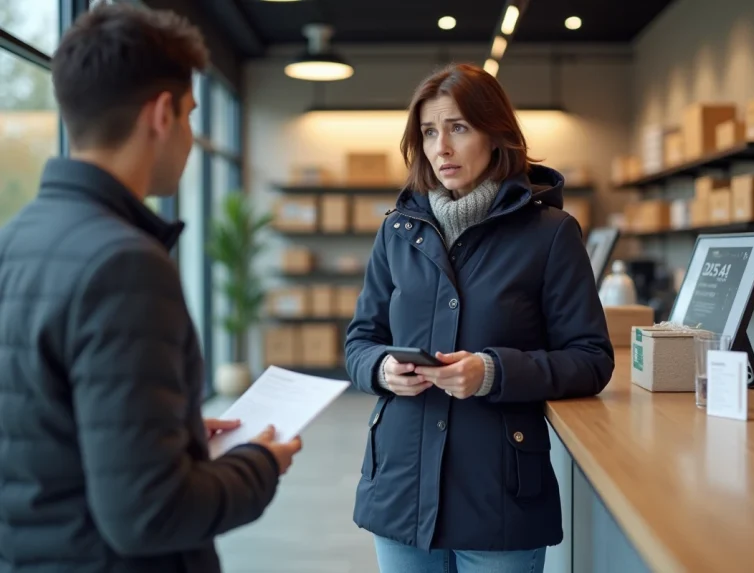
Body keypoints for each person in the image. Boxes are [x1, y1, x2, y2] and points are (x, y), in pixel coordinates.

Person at [0, 5, 301, 572]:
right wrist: (260, 463)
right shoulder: (125, 264)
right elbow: (150, 513)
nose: (191, 137)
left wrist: (172, 432)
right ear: (163, 114)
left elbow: (39, 427)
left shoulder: (15, 238)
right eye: (191, 115)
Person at [344, 63, 615, 572]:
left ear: (495, 133)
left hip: (498, 496)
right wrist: (381, 368)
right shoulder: (397, 231)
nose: (441, 148)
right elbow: (360, 341)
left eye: (458, 128)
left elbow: (591, 359)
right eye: (429, 132)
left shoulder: (551, 234)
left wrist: (492, 372)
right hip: (400, 487)